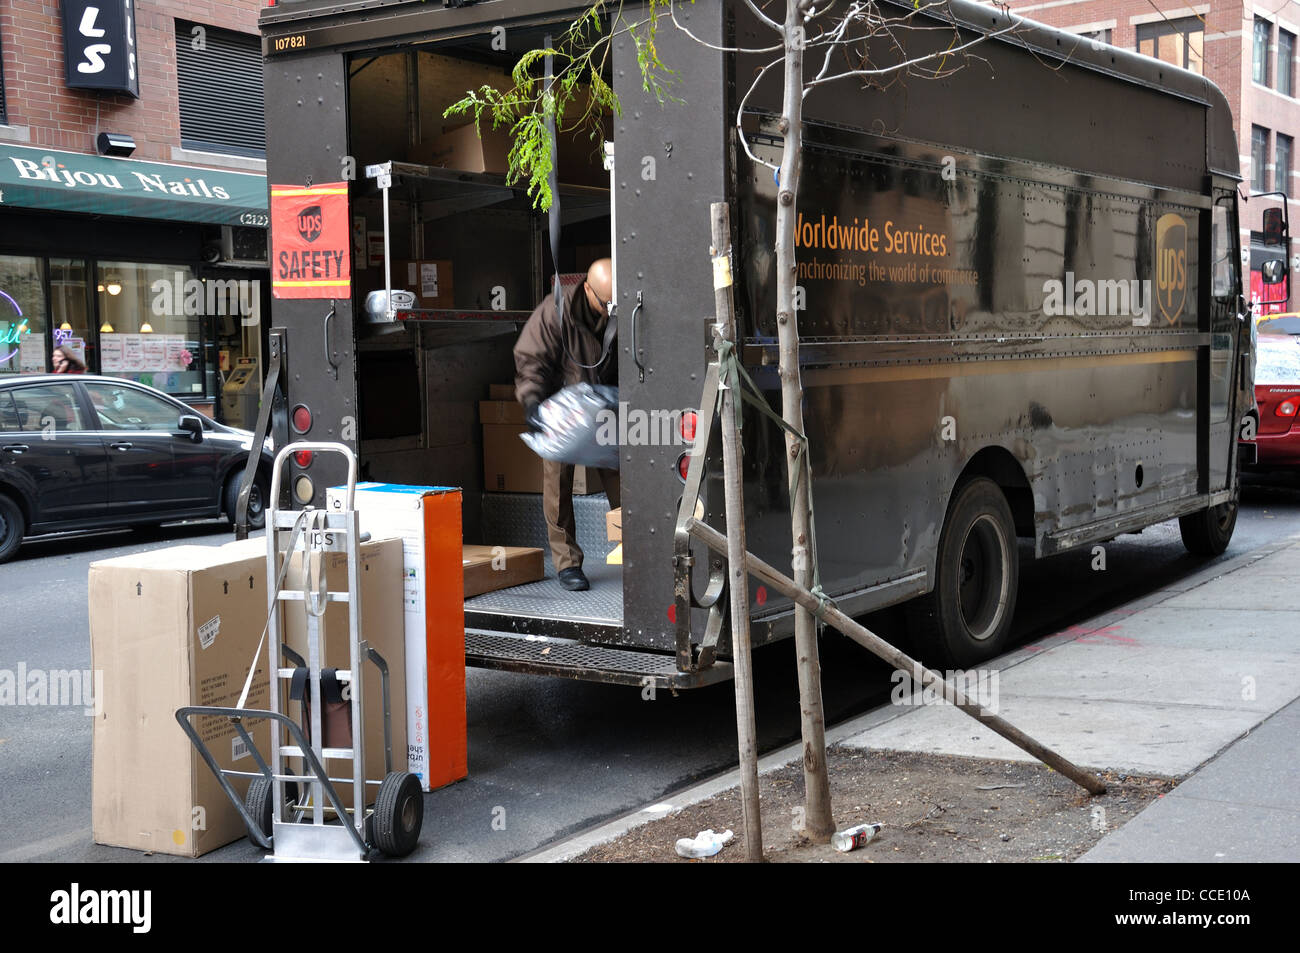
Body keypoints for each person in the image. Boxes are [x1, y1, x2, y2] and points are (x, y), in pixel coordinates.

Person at [514, 258, 620, 591]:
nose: (609, 311)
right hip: (563, 411)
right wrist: (532, 403)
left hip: (606, 408)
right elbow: (531, 359)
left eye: (615, 304)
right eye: (605, 304)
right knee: (558, 484)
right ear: (588, 289)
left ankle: (634, 551)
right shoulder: (555, 311)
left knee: (626, 484)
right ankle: (567, 564)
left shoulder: (620, 310)